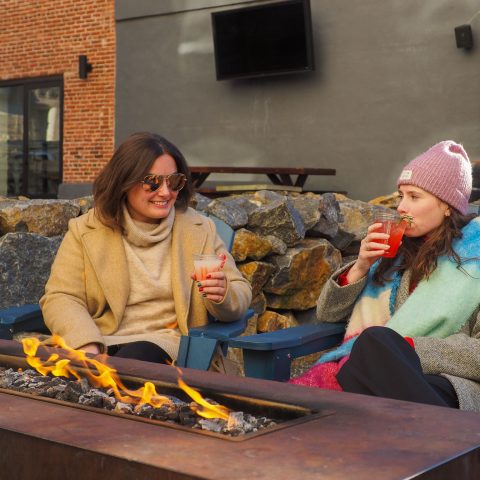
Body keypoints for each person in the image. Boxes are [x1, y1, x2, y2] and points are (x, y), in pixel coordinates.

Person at [291, 140, 480, 411]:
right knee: (366, 359)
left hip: (448, 384)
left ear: (447, 205)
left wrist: (408, 347)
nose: (401, 207)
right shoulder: (394, 252)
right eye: (401, 196)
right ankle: (439, 432)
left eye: (414, 197)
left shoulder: (475, 260)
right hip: (379, 375)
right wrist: (361, 266)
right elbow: (327, 314)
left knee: (369, 349)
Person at [40, 132, 252, 366]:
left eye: (174, 181)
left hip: (167, 346)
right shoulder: (85, 230)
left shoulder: (200, 230)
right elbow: (61, 297)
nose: (165, 192)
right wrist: (86, 345)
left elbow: (240, 291)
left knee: (136, 358)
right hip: (100, 342)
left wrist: (223, 294)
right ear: (124, 182)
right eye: (152, 182)